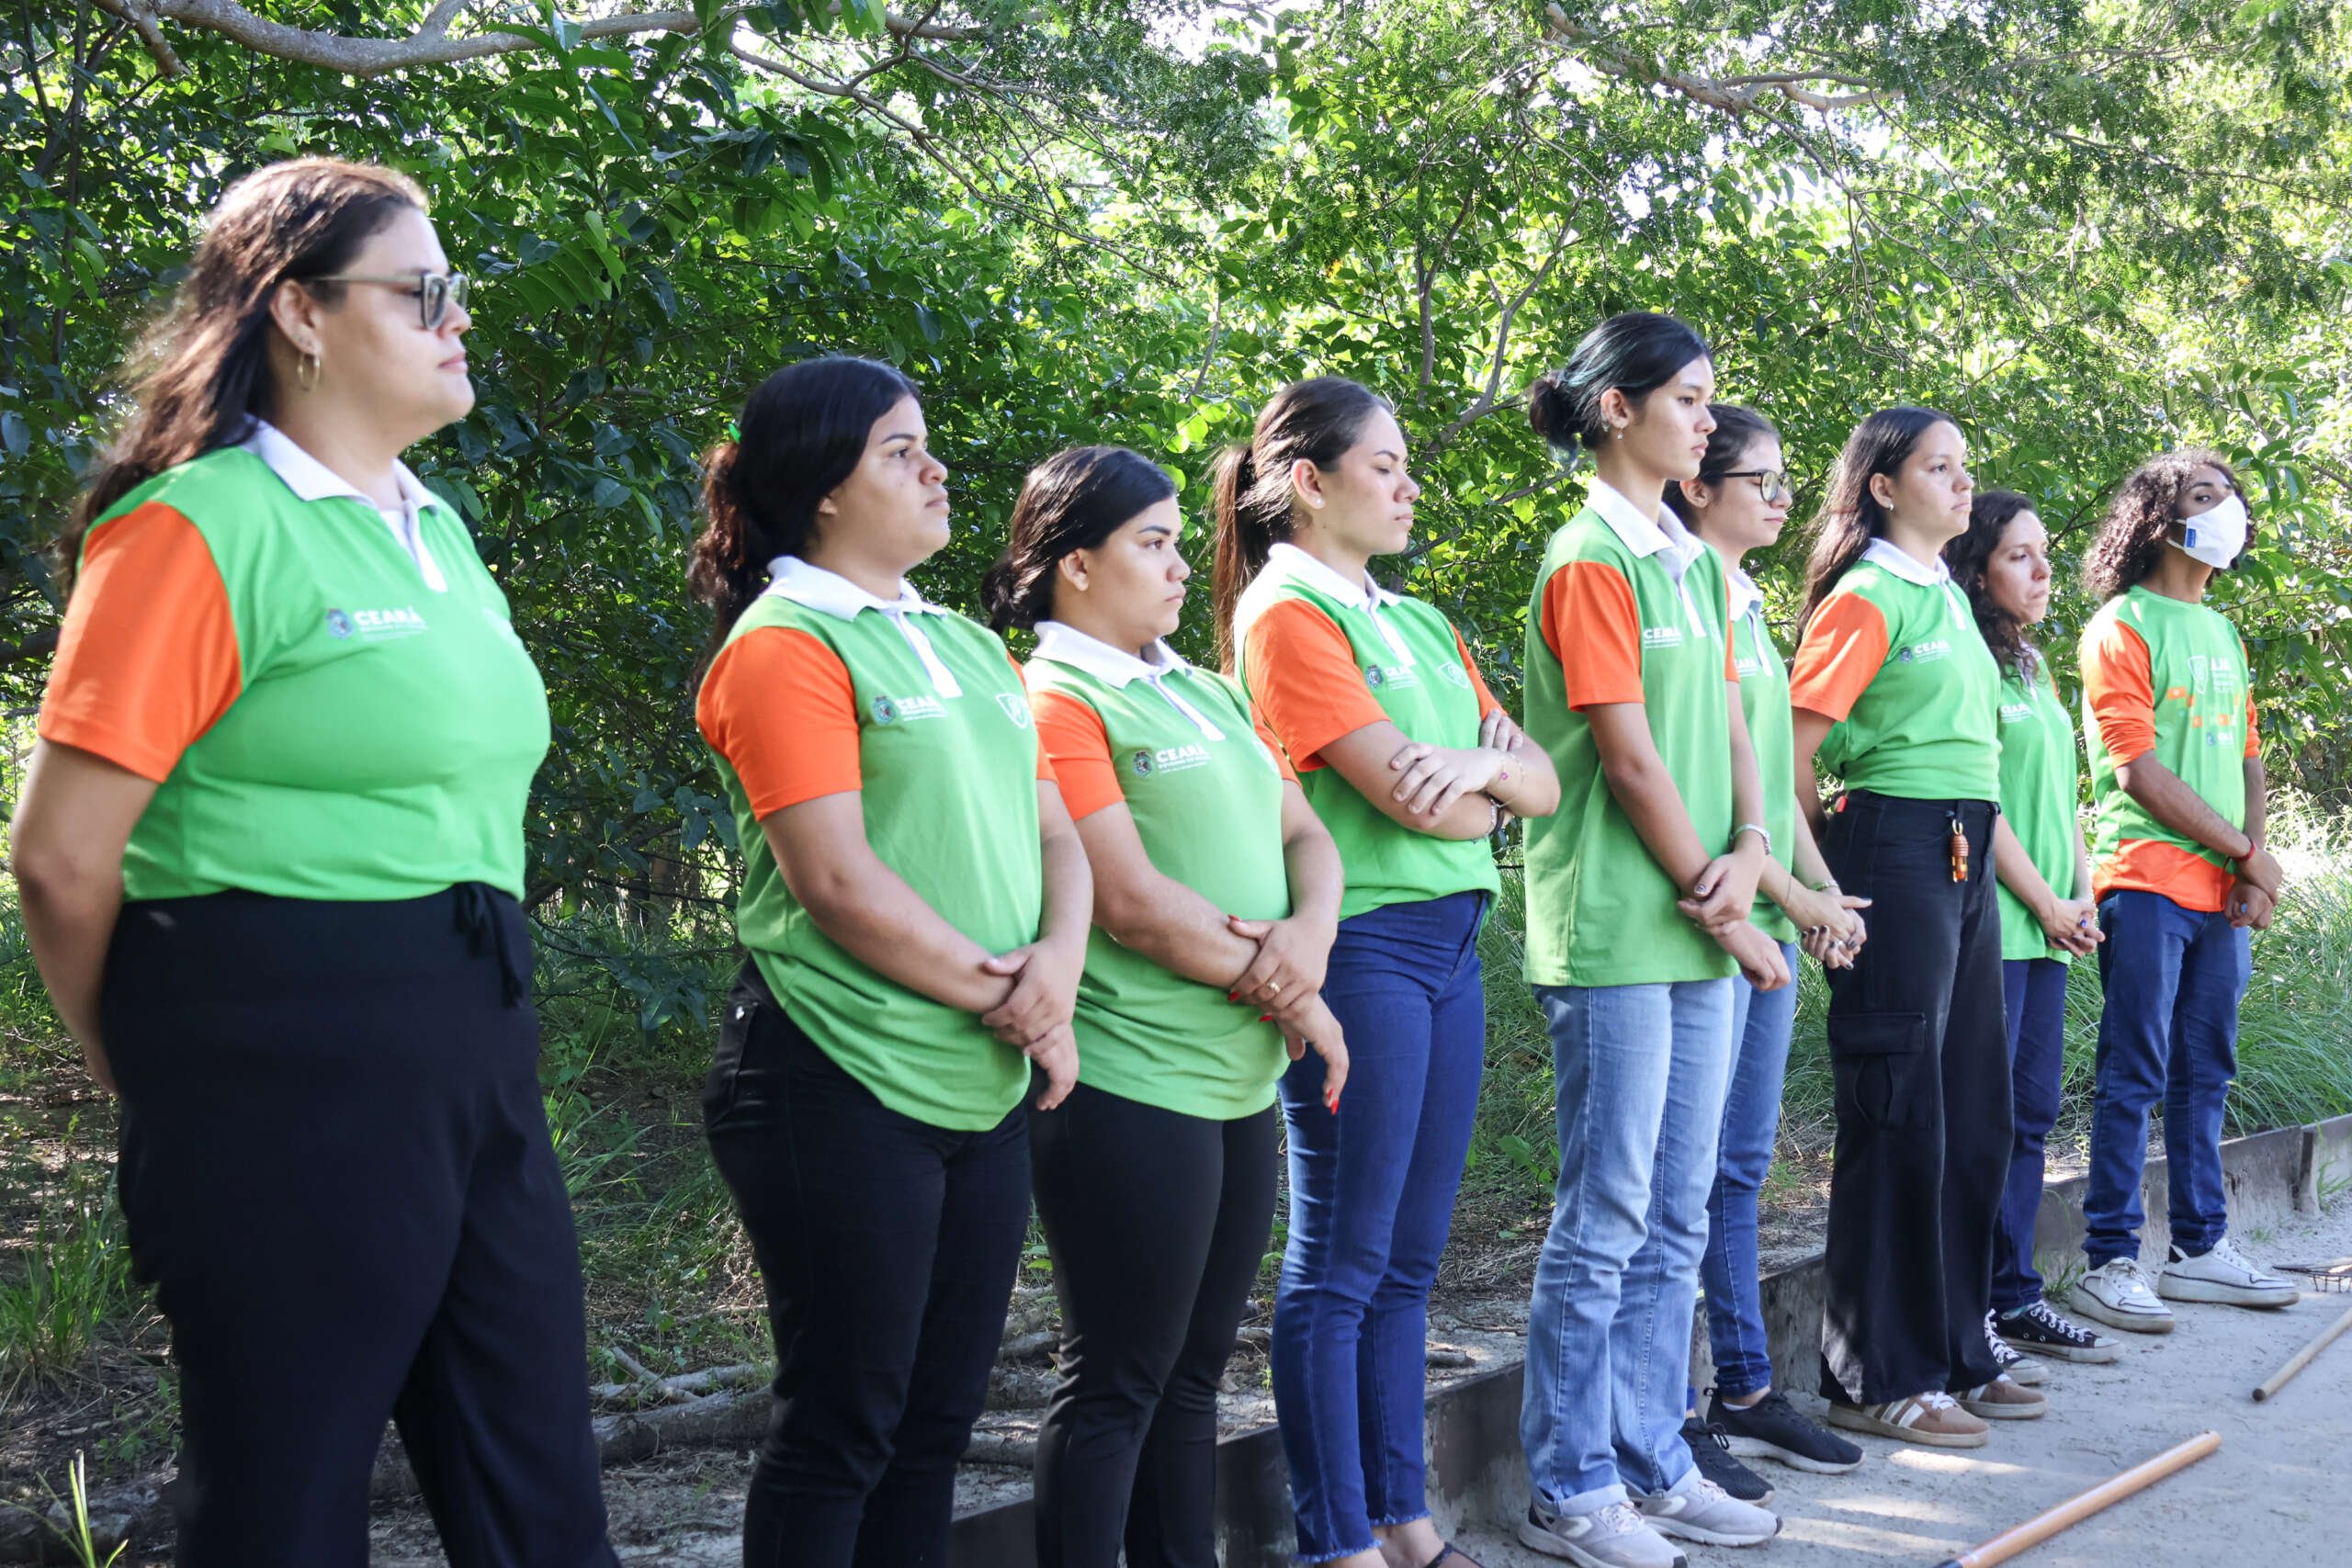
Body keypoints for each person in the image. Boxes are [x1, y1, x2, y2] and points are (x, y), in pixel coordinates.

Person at [13, 158, 616, 1567]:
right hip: (273, 1045)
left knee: (541, 1499)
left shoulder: (440, 533)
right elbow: (58, 858)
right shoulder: (193, 527)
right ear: (298, 310)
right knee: (287, 1501)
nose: (459, 319)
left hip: (474, 1033)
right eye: (424, 292)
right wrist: (152, 1061)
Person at [689, 355, 1091, 1567]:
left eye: (929, 444)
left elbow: (1060, 835)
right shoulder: (785, 642)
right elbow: (838, 881)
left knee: (934, 1426)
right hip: (833, 1074)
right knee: (843, 1424)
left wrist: (1055, 977)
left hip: (980, 1072)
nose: (938, 467)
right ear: (821, 487)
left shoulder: (970, 647)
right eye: (900, 450)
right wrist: (1022, 1003)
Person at [982, 445, 1350, 1568]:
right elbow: (1128, 900)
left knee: (1195, 1376)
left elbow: (1307, 837)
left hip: (1237, 1077)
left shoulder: (1199, 686)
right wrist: (1290, 988)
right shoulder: (1051, 696)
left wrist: (1307, 947)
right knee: (1119, 1376)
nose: (1184, 563)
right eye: (1153, 542)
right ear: (1075, 565)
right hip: (1127, 1079)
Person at [1214, 377, 1558, 1568]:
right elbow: (1387, 777)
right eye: (1387, 464)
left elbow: (1537, 780)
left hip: (1453, 943)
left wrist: (1469, 772)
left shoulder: (1416, 620)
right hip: (1359, 947)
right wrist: (1485, 775)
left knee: (1414, 1257)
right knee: (1343, 1259)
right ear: (1308, 483)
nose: (1412, 485)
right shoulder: (1288, 614)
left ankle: (1409, 1521)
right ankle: (1339, 1538)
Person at [1512, 317, 1790, 1568]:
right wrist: (1718, 893)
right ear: (1617, 410)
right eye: (1686, 398)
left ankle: (1650, 1456)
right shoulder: (1588, 559)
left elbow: (1728, 722)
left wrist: (1746, 841)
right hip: (1621, 929)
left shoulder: (1686, 560)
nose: (1705, 421)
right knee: (1608, 1209)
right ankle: (1569, 1484)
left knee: (1677, 1209)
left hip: (1698, 919)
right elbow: (1622, 753)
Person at [1787, 407, 2042, 1450]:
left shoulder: (1942, 593)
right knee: (1896, 1117)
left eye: (1965, 466)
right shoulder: (1867, 595)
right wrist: (1812, 887)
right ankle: (1874, 1377)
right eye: (1937, 467)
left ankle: (1949, 1350)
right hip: (1892, 849)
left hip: (1963, 849)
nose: (1961, 484)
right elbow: (1795, 751)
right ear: (1882, 487)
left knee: (1970, 1109)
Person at [1663, 404, 1872, 1483]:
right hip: (1699, 918)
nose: (1785, 502)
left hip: (1766, 911)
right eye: (1763, 481)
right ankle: (1675, 1413)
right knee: (1678, 1178)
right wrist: (1786, 896)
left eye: (1790, 483)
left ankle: (1743, 1387)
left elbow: (1769, 788)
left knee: (1739, 1167)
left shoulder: (1744, 605)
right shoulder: (1670, 591)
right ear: (1695, 486)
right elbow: (1673, 773)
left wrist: (1822, 895)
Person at [2067, 451, 2300, 1335]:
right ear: (2157, 519)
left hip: (2219, 895)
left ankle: (2200, 1250)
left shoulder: (2225, 633)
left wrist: (2253, 868)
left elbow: (2248, 759)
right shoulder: (2120, 624)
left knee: (2208, 1073)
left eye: (2229, 497)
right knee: (2134, 1072)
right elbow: (2137, 772)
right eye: (2206, 497)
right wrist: (2248, 851)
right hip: (2146, 883)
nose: (2227, 510)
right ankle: (2109, 1260)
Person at [1942, 491, 2120, 1368]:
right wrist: (2045, 904)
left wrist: (2080, 894)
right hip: (1997, 925)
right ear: (1978, 569)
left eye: (2046, 552)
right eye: (2020, 555)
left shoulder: (2036, 665)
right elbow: (1985, 803)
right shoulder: (1967, 659)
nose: (2045, 570)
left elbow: (2064, 799)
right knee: (1982, 1120)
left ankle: (2014, 1297)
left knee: (2033, 1115)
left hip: (2052, 923)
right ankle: (1964, 1307)